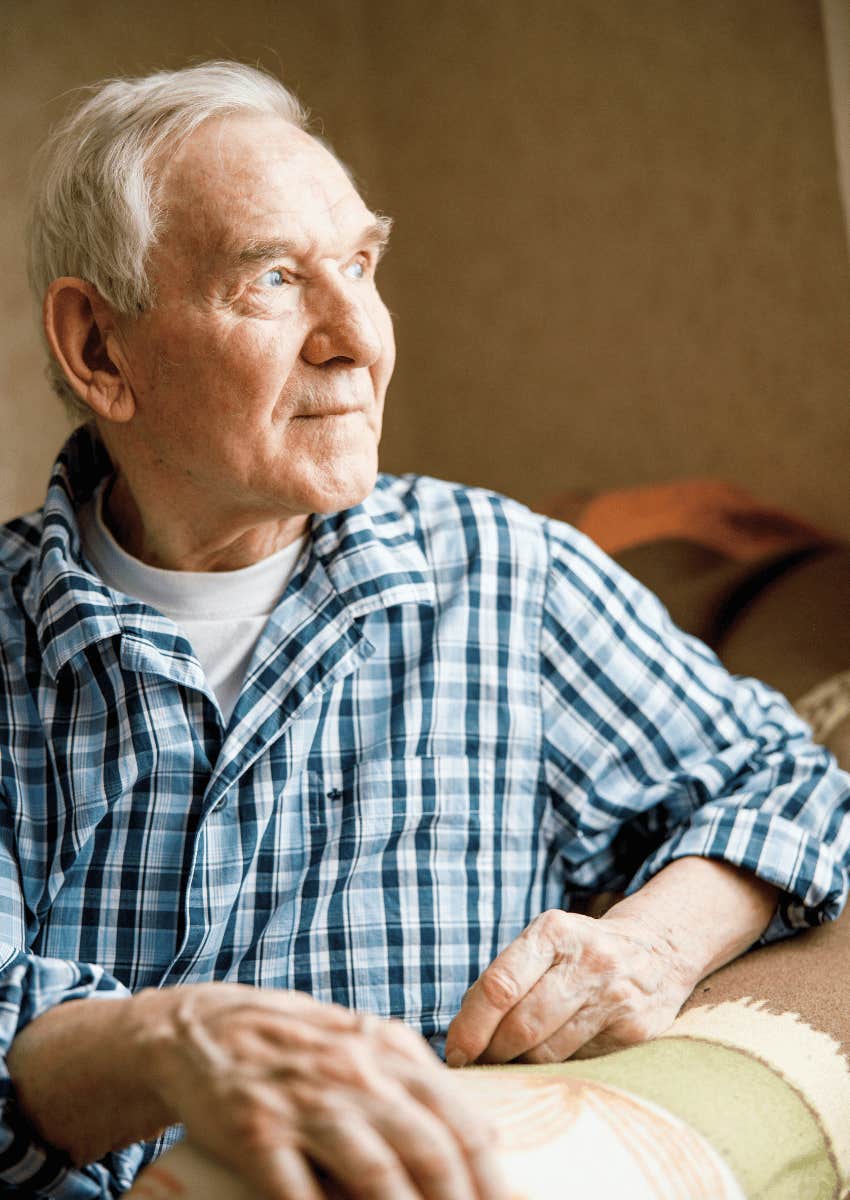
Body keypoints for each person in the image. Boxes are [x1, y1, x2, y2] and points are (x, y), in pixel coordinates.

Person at [1, 60, 848, 1200]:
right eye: (273, 279)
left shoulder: (504, 576)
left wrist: (653, 942)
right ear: (100, 351)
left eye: (359, 265)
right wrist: (172, 1047)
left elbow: (787, 782)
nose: (357, 335)